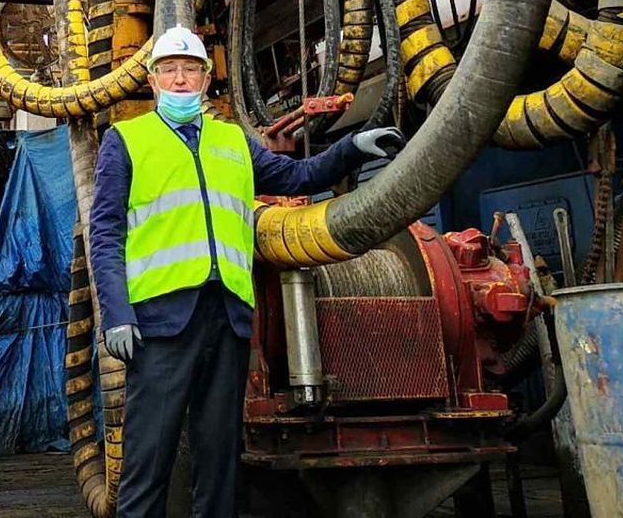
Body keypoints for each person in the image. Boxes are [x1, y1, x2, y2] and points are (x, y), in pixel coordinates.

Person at [89, 26, 406, 518]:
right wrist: (116, 314)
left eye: (189, 69)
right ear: (152, 81)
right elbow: (105, 234)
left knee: (221, 461)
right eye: (168, 69)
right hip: (159, 321)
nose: (179, 79)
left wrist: (352, 148)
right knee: (149, 459)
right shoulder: (126, 139)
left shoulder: (232, 140)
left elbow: (297, 177)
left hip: (229, 318)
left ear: (205, 78)